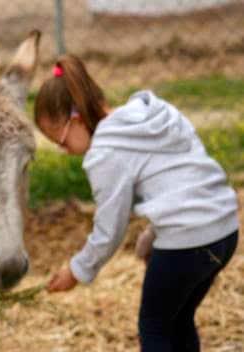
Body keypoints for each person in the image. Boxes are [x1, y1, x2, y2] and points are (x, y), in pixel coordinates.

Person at [35, 54, 239, 352]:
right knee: (178, 320)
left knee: (154, 328)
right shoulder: (153, 111)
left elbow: (110, 229)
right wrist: (156, 233)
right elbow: (188, 174)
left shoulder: (104, 153)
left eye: (62, 141)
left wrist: (77, 270)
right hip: (225, 229)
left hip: (188, 243)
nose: (64, 151)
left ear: (76, 119)